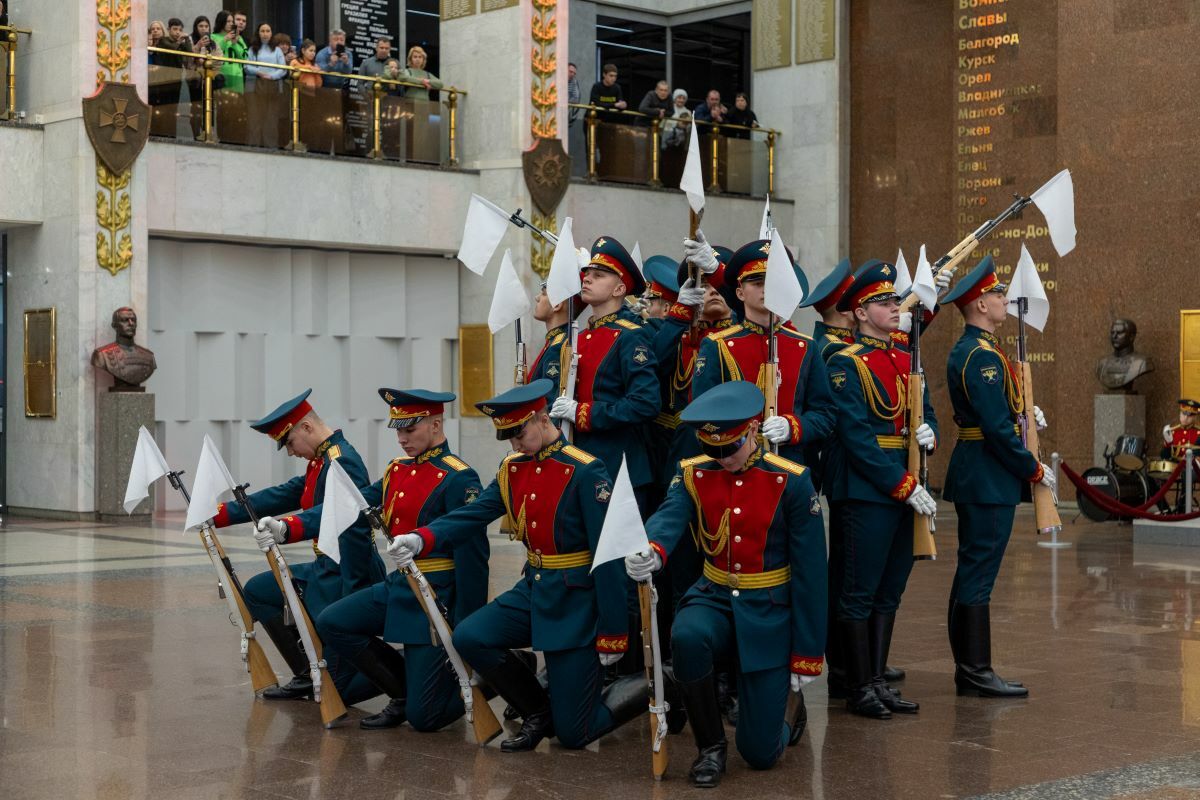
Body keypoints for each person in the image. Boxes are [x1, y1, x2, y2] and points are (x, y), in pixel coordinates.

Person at [386, 379, 644, 751]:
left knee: (575, 735)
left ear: (541, 419)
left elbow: (608, 554)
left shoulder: (586, 470)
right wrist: (423, 537)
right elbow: (474, 513)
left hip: (576, 600)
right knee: (471, 637)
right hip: (535, 587)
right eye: (509, 438)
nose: (515, 445)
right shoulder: (513, 468)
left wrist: (613, 628)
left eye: (519, 434)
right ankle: (537, 711)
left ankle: (649, 684)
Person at [626, 381, 825, 787]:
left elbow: (811, 575)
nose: (722, 458)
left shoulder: (792, 480)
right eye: (712, 449)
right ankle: (710, 749)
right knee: (687, 635)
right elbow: (669, 516)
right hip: (714, 594)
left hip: (770, 606)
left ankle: (790, 708)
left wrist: (807, 653)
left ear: (753, 431)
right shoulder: (694, 472)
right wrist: (651, 549)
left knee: (760, 755)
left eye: (729, 448)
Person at [315, 388, 488, 729]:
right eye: (398, 430)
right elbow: (346, 506)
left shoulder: (459, 477)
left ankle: (503, 674)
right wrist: (286, 525)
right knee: (333, 621)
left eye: (410, 429)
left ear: (436, 424)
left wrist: (468, 626)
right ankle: (403, 688)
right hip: (400, 584)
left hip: (436, 596)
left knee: (426, 720)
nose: (402, 439)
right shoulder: (397, 471)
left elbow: (473, 557)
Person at [213, 390, 386, 701]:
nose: (290, 452)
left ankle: (403, 671)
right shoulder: (320, 460)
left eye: (289, 442)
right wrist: (220, 514)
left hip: (347, 572)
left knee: (338, 692)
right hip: (325, 569)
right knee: (260, 591)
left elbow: (353, 527)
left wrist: (352, 596)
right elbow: (285, 494)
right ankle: (308, 672)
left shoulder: (342, 460)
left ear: (306, 427)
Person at [824, 261, 938, 720]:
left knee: (890, 590)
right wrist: (901, 485)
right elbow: (855, 435)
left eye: (896, 301)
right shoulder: (843, 363)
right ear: (859, 312)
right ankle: (857, 685)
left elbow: (923, 410)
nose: (896, 308)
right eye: (884, 303)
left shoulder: (906, 358)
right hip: (868, 490)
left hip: (906, 484)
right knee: (859, 591)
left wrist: (929, 431)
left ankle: (875, 680)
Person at [942, 256, 1052, 699]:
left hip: (983, 473)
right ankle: (974, 670)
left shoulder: (980, 351)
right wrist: (1032, 467)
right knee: (978, 573)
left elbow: (999, 416)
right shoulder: (980, 357)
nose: (1005, 300)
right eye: (998, 295)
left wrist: (1026, 417)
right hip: (987, 476)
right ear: (980, 305)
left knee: (973, 570)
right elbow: (993, 427)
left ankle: (969, 668)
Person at [693, 237, 835, 467]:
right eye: (757, 282)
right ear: (740, 293)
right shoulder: (716, 345)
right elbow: (702, 413)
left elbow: (826, 414)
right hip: (732, 464)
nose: (766, 288)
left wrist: (793, 427)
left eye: (773, 281)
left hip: (792, 464)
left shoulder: (806, 347)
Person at [548, 236, 660, 513]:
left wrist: (582, 413)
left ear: (619, 288)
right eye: (586, 274)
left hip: (617, 465)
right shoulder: (578, 336)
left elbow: (645, 402)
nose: (586, 279)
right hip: (578, 460)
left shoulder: (631, 337)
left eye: (598, 276)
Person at [243, 22, 286, 147]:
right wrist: (259, 72)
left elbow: (283, 69)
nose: (265, 34)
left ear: (271, 33)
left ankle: (271, 147)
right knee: (254, 119)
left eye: (268, 31)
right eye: (262, 31)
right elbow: (246, 66)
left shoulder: (277, 50)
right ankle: (253, 146)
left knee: (271, 120)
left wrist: (272, 76)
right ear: (258, 33)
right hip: (253, 88)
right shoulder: (252, 49)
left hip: (273, 88)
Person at [527, 280, 571, 401]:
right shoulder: (554, 341)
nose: (537, 298)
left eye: (544, 294)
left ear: (557, 305)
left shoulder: (559, 345)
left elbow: (550, 403)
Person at [211, 10, 247, 94]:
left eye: (232, 21)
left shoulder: (239, 38)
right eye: (228, 21)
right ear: (221, 22)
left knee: (236, 103)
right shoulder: (213, 37)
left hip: (237, 76)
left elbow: (245, 57)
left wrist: (234, 44)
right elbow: (213, 54)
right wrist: (225, 39)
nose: (231, 24)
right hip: (221, 74)